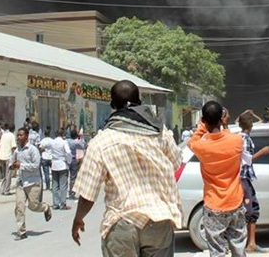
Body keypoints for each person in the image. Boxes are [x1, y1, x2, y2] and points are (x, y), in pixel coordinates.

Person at [71, 80, 182, 256]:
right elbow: (176, 163)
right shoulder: (161, 133)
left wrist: (78, 219)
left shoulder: (101, 141)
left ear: (112, 105)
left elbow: (88, 193)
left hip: (122, 223)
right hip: (159, 221)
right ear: (139, 102)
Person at [188, 101, 246, 256]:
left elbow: (192, 142)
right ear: (222, 118)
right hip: (235, 202)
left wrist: (203, 125)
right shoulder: (237, 141)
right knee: (238, 246)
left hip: (214, 205)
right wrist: (224, 124)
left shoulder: (200, 147)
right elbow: (229, 137)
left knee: (217, 251)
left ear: (204, 121)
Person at [237, 110, 269, 253]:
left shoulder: (239, 136)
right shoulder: (244, 139)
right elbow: (246, 160)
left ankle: (251, 242)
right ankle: (249, 243)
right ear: (250, 125)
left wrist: (248, 113)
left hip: (244, 178)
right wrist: (263, 152)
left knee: (250, 209)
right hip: (243, 177)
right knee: (251, 210)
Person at [13, 127, 52, 240]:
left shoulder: (32, 150)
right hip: (21, 182)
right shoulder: (17, 150)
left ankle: (45, 207)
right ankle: (21, 231)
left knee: (33, 206)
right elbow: (12, 161)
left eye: (21, 135)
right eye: (18, 135)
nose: (19, 137)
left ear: (26, 136)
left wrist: (21, 166)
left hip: (33, 182)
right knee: (19, 206)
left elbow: (36, 165)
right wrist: (12, 165)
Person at [50, 128, 72, 210]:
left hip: (54, 164)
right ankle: (63, 203)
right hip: (62, 164)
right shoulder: (64, 142)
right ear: (63, 134)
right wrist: (69, 161)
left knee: (55, 185)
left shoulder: (52, 142)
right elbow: (68, 153)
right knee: (63, 185)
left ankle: (55, 203)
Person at [0, 124, 17, 195]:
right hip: (8, 156)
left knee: (4, 175)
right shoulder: (12, 135)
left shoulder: (4, 135)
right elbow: (13, 147)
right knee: (8, 174)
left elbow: (0, 145)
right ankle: (6, 190)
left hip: (1, 156)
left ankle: (2, 189)